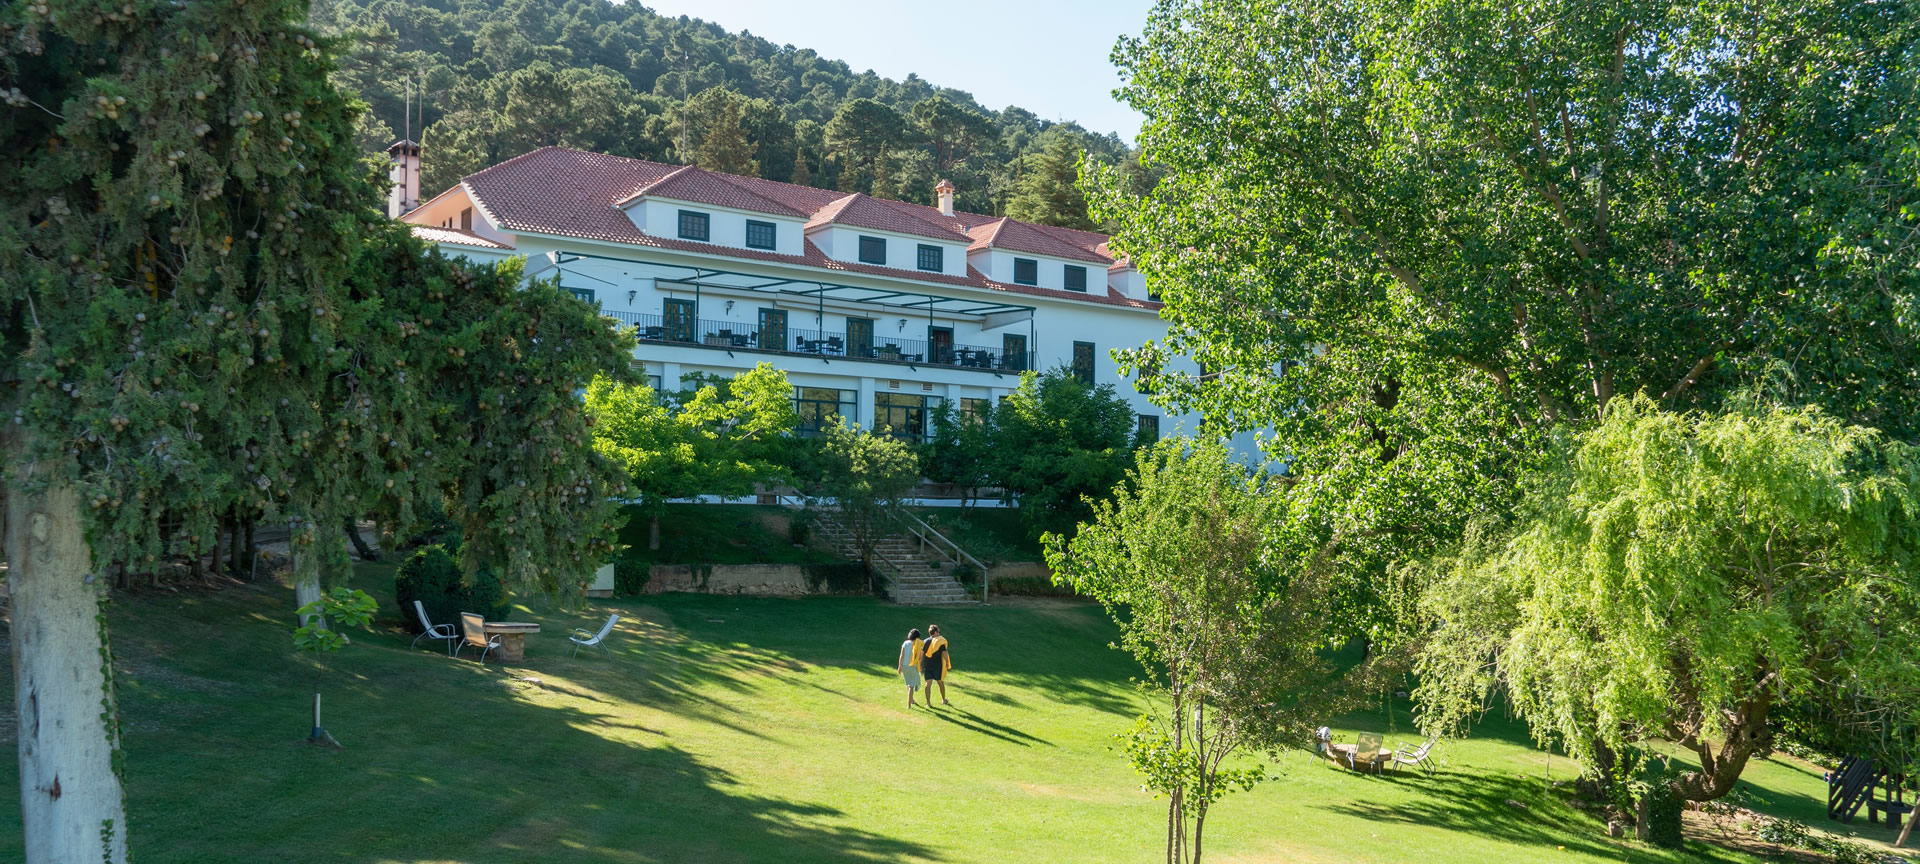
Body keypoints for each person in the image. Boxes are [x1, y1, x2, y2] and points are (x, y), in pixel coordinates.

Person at [920, 624, 952, 706]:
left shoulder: (925, 641)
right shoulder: (940, 641)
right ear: (936, 632)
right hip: (938, 666)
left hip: (927, 666)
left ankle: (928, 703)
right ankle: (943, 699)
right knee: (940, 682)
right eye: (938, 632)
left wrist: (919, 664)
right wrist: (947, 662)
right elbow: (944, 653)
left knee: (927, 684)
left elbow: (921, 654)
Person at [897, 628, 924, 709]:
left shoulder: (905, 643)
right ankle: (909, 705)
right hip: (913, 666)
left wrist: (899, 666)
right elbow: (919, 658)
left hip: (904, 666)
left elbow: (901, 656)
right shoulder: (918, 645)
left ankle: (911, 700)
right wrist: (919, 665)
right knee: (911, 686)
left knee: (908, 684)